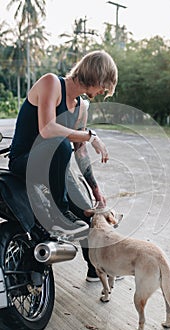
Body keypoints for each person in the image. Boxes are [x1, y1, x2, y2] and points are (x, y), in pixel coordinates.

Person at [8, 50, 118, 282]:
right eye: (104, 86)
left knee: (89, 212)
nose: (103, 92)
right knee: (60, 143)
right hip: (25, 162)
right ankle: (59, 215)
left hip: (55, 167)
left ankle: (95, 269)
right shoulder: (51, 83)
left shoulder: (81, 107)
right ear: (96, 77)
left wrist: (96, 192)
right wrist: (89, 135)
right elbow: (48, 129)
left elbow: (79, 151)